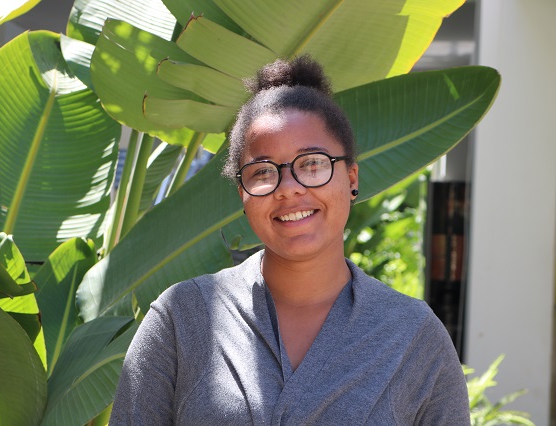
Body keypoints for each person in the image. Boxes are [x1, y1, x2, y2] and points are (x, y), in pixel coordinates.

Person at [109, 56, 470, 425]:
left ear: (351, 177)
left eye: (312, 164)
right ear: (242, 194)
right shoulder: (182, 320)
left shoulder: (412, 336)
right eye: (263, 171)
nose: (289, 189)